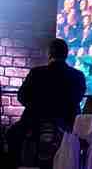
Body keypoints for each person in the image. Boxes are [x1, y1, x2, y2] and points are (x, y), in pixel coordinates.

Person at [4, 39, 86, 167]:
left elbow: (22, 96)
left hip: (35, 120)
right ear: (66, 54)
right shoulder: (78, 75)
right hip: (66, 123)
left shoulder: (37, 73)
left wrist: (39, 108)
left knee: (11, 135)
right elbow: (77, 98)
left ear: (49, 54)